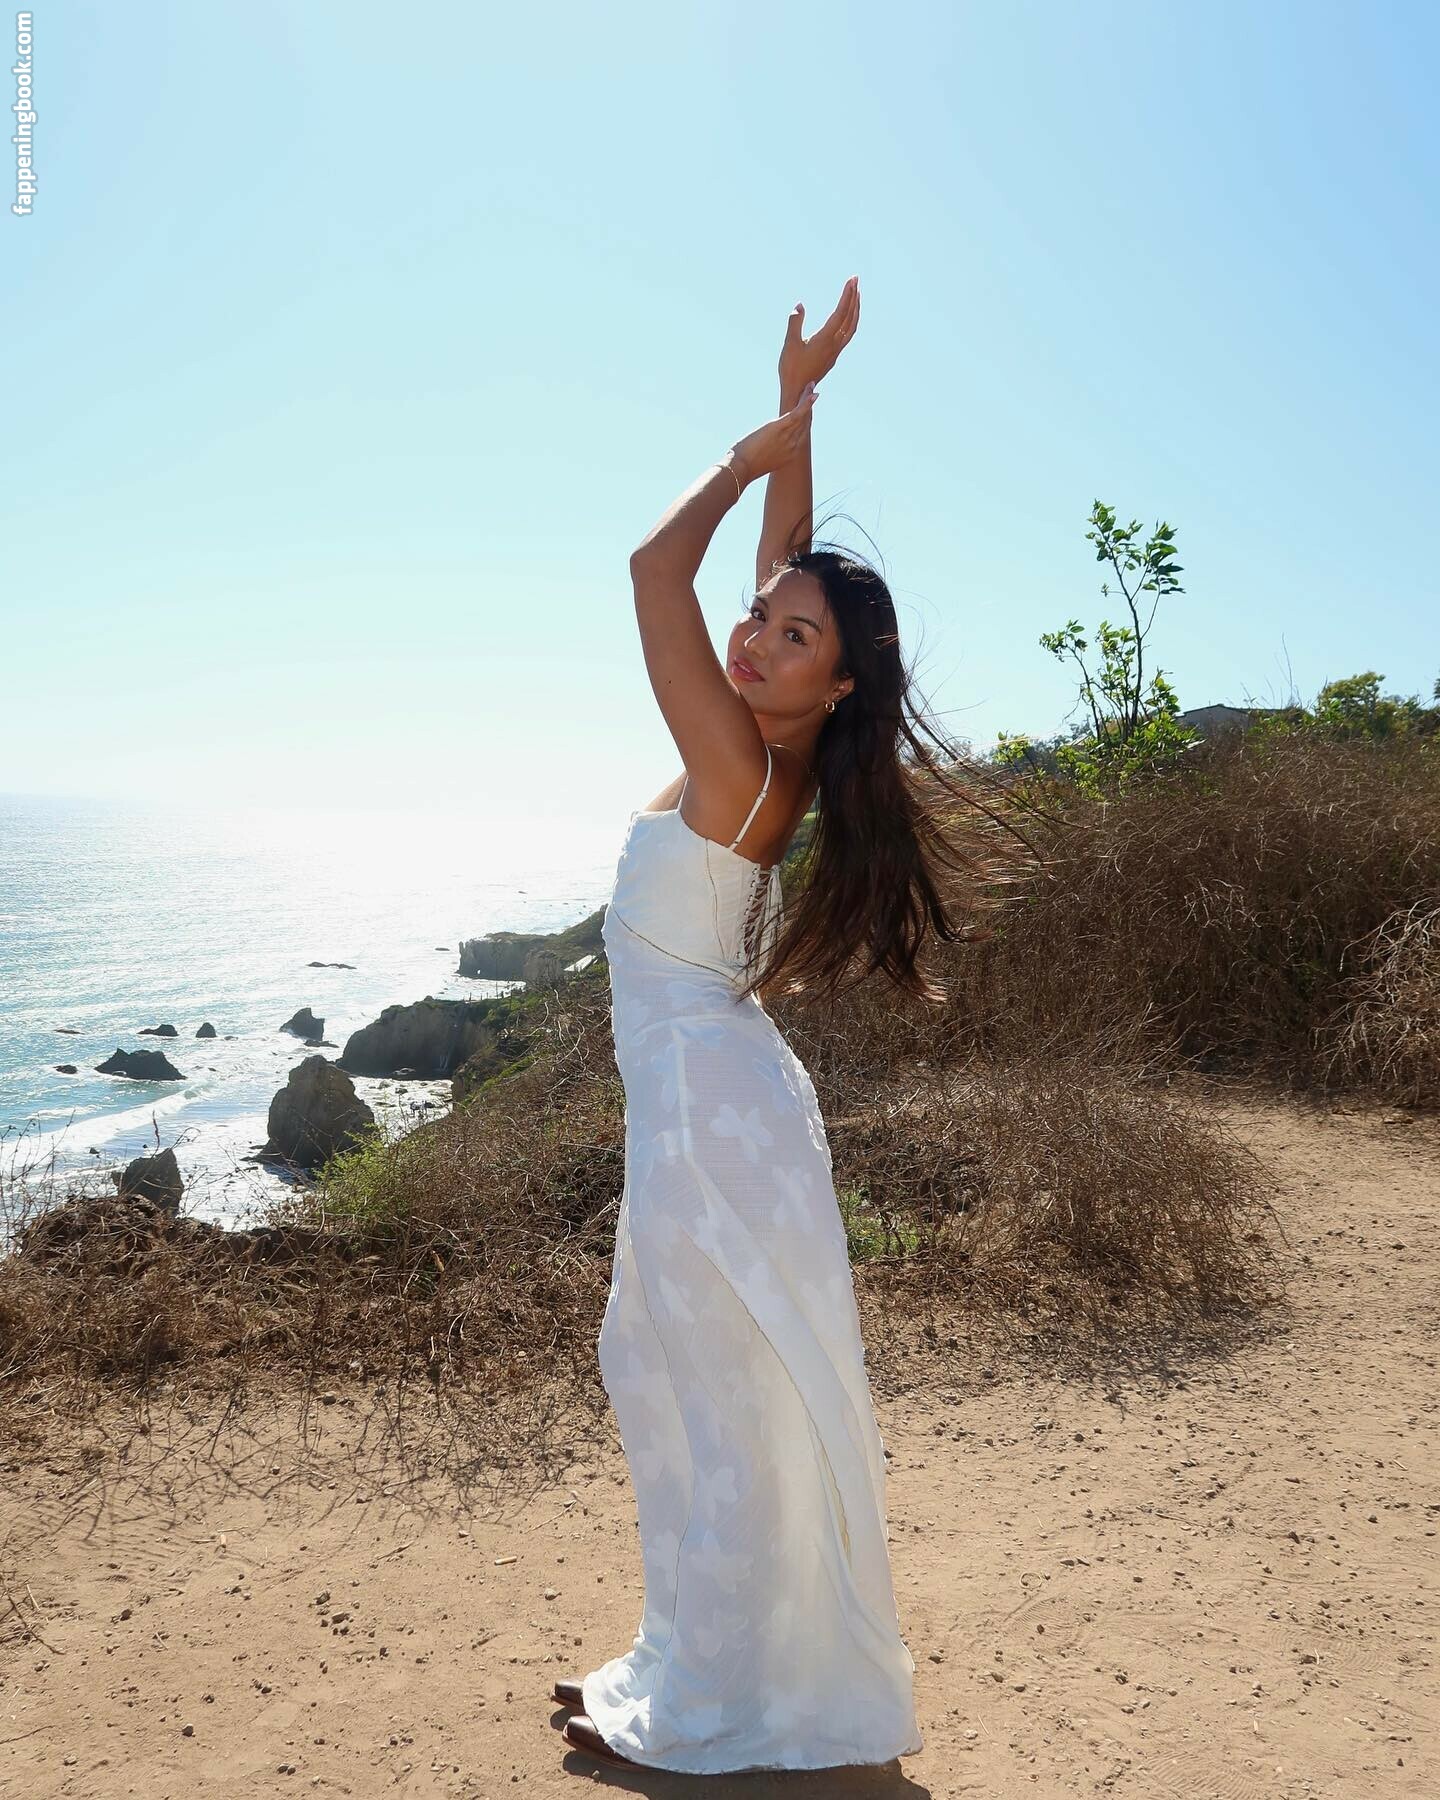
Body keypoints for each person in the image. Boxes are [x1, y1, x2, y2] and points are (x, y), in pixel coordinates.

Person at [552, 278, 1001, 1773]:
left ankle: (717, 1706)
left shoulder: (737, 763)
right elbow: (768, 573)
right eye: (759, 621)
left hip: (707, 1116)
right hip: (710, 1105)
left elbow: (649, 571)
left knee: (720, 1413)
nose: (753, 636)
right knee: (691, 1400)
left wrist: (744, 457)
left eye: (789, 633)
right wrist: (797, 408)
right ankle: (693, 1666)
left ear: (837, 680)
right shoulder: (765, 740)